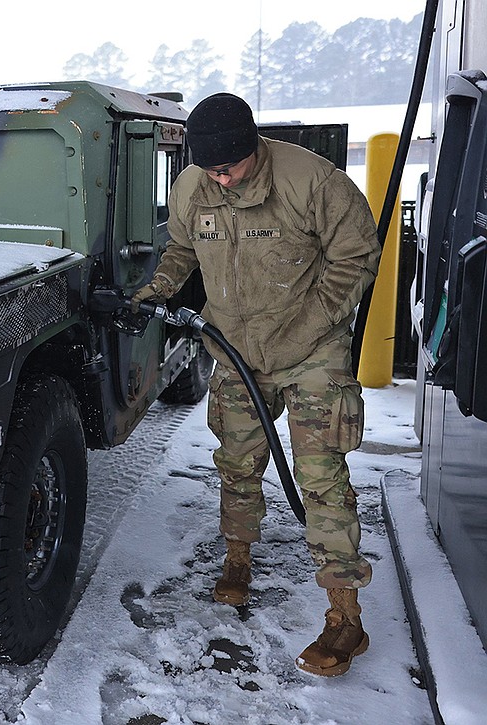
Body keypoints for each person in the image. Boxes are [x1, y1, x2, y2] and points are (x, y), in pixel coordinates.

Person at [131, 93, 381, 677]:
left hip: (310, 353)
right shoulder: (194, 188)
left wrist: (313, 322)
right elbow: (182, 249)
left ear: (254, 148)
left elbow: (357, 254)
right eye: (212, 169)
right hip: (238, 351)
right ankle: (237, 559)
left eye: (231, 167)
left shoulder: (314, 183)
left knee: (321, 478)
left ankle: (346, 618)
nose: (221, 178)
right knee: (238, 463)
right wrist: (157, 290)